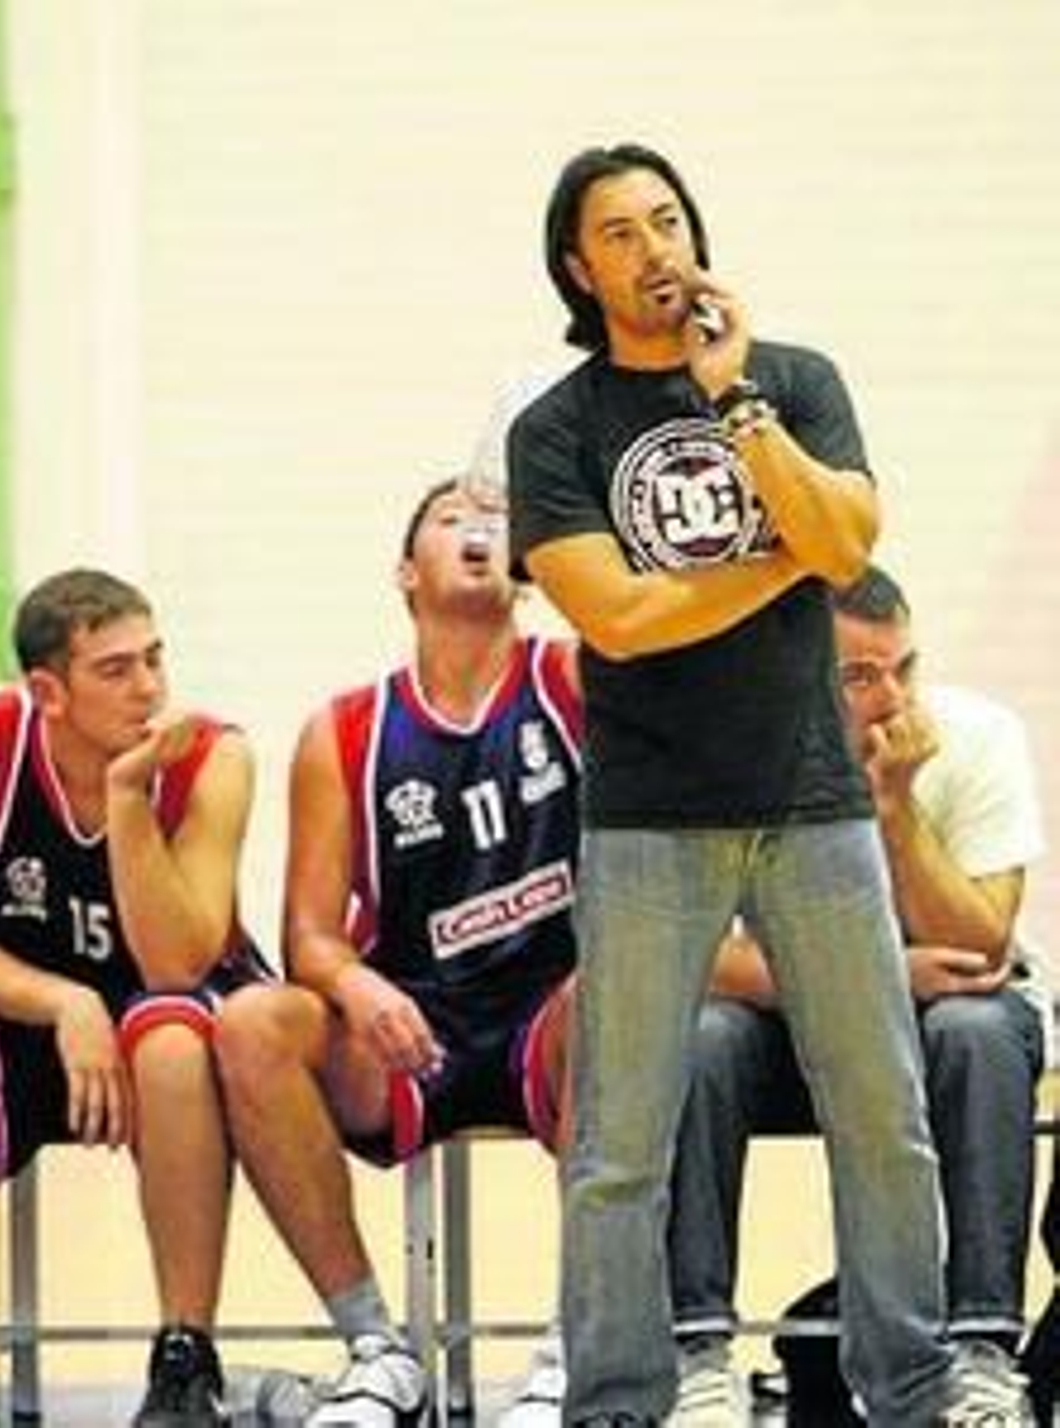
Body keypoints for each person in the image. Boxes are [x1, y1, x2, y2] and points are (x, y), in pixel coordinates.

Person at [505, 142, 977, 1426]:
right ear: (576, 267)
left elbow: (845, 537)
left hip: (810, 801)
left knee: (882, 1113)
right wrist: (786, 561)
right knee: (619, 1145)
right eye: (619, 234)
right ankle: (615, 1398)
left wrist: (735, 403)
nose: (654, 249)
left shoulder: (793, 382)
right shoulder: (555, 430)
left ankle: (912, 1385)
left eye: (667, 221)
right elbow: (621, 620)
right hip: (650, 816)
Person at [215, 478, 582, 1428]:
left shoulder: (574, 681)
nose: (479, 531)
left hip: (558, 1012)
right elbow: (307, 934)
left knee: (619, 1001)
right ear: (403, 572)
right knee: (254, 1022)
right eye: (453, 518)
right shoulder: (345, 730)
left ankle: (575, 1341)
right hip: (415, 1020)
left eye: (501, 520)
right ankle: (377, 1350)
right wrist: (353, 981)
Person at [0, 567, 265, 1428]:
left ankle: (185, 1358)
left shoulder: (212, 756)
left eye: (154, 659)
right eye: (116, 670)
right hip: (28, 1010)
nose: (150, 686)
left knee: (169, 1040)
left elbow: (174, 963)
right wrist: (65, 1003)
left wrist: (127, 798)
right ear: (48, 690)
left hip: (158, 1008)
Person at [665, 565, 1046, 1423]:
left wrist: (896, 810)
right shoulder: (724, 753)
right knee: (701, 1037)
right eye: (858, 677)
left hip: (935, 1025)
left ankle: (983, 1356)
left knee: (980, 1031)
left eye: (903, 669)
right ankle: (697, 1356)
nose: (890, 699)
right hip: (794, 1025)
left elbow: (984, 939)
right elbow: (684, 947)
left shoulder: (977, 736)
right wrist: (864, 977)